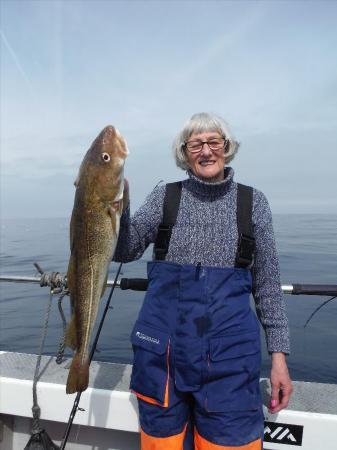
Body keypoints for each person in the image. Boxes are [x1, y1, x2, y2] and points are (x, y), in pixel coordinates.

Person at [114, 112, 292, 450]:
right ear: (184, 153)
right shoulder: (164, 196)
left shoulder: (253, 203)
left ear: (227, 147)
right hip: (160, 358)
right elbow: (123, 250)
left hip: (231, 363)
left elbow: (268, 284)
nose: (206, 151)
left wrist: (279, 357)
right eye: (195, 144)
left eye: (214, 142)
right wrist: (113, 207)